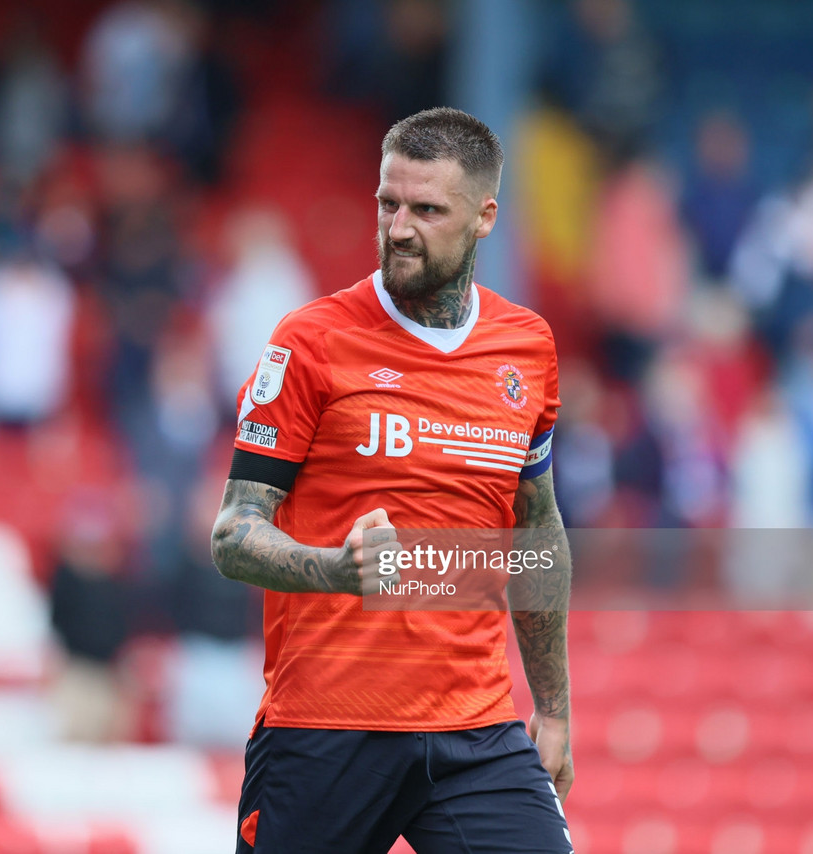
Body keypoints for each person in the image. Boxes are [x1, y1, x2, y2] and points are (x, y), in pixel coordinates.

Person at [211, 107, 574, 853]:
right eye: (388, 203)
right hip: (325, 730)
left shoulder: (527, 348)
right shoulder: (310, 342)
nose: (399, 228)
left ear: (484, 217)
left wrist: (555, 708)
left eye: (427, 209)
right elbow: (234, 533)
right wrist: (334, 568)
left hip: (475, 729)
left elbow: (536, 530)